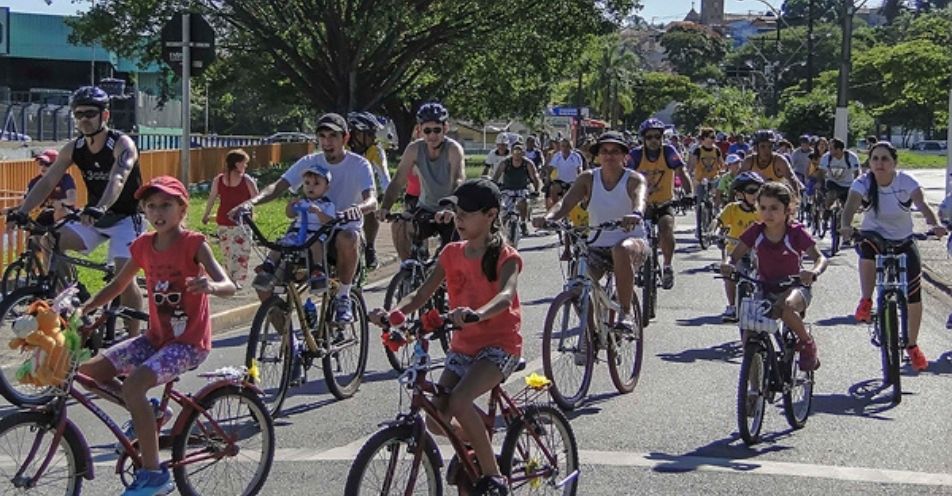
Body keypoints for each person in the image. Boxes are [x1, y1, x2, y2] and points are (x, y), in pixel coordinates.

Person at [78, 176, 235, 496]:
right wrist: (86, 307)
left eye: (166, 204)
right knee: (86, 373)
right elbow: (119, 286)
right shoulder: (142, 246)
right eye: (151, 206)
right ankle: (151, 411)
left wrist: (211, 287)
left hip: (188, 343)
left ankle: (154, 474)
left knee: (134, 383)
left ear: (181, 209)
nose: (158, 211)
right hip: (156, 337)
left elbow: (229, 285)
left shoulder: (194, 243)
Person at [370, 179, 522, 496]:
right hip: (463, 347)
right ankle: (474, 440)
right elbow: (421, 293)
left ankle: (494, 479)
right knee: (437, 412)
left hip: (499, 347)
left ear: (491, 214)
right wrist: (393, 314)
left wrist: (478, 313)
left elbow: (506, 296)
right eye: (456, 212)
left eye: (466, 213)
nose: (458, 219)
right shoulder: (451, 253)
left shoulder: (506, 256)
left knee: (460, 400)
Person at [8, 86, 145, 336]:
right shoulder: (74, 147)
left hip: (126, 217)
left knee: (124, 279)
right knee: (50, 240)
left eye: (90, 113)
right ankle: (72, 300)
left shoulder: (122, 143)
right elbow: (48, 181)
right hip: (94, 217)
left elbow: (119, 177)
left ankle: (134, 341)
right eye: (78, 114)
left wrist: (100, 207)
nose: (84, 119)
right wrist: (23, 210)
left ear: (105, 115)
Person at [231, 113, 376, 323]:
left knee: (348, 237)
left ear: (345, 138)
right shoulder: (310, 161)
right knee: (263, 285)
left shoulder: (359, 164)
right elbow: (276, 187)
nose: (327, 142)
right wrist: (249, 203)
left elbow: (371, 200)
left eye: (333, 136)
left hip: (341, 231)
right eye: (322, 136)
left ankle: (344, 295)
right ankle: (290, 343)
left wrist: (357, 209)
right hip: (308, 232)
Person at [839, 141, 948, 371]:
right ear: (869, 162)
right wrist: (846, 225)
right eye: (875, 159)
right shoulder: (863, 182)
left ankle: (912, 345)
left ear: (894, 162)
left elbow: (923, 204)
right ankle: (866, 300)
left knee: (914, 294)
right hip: (875, 236)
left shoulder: (905, 181)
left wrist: (935, 224)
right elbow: (850, 206)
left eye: (885, 159)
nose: (879, 163)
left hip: (904, 239)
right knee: (866, 245)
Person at [536, 131, 648, 331]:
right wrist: (548, 218)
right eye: (604, 151)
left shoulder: (633, 179)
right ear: (598, 156)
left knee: (621, 250)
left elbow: (640, 200)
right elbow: (565, 203)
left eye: (615, 151)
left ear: (624, 156)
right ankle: (592, 332)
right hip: (597, 245)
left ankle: (625, 313)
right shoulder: (587, 178)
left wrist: (636, 214)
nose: (609, 156)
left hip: (632, 243)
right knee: (578, 286)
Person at [721, 182, 827, 371]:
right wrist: (728, 264)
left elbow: (820, 258)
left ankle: (807, 343)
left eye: (774, 208)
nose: (767, 213)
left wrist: (813, 272)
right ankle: (754, 384)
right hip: (765, 287)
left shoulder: (795, 232)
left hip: (795, 288)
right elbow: (735, 255)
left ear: (787, 210)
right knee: (749, 331)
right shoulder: (756, 231)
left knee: (785, 308)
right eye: (762, 208)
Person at [378, 102, 466, 260]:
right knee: (399, 225)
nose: (432, 135)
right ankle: (407, 270)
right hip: (425, 207)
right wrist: (385, 207)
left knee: (450, 257)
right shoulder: (414, 149)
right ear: (420, 130)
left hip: (449, 209)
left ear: (445, 128)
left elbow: (458, 179)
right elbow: (398, 181)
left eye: (437, 130)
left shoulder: (453, 149)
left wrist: (450, 206)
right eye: (427, 130)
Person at [628, 118, 692, 290]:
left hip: (664, 203)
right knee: (634, 234)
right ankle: (634, 267)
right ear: (643, 138)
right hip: (642, 206)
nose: (654, 140)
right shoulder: (635, 155)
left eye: (657, 136)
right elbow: (625, 177)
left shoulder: (669, 151)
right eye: (649, 137)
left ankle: (667, 266)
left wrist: (689, 193)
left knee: (666, 227)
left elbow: (682, 171)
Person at [253, 164, 337, 293]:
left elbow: (330, 221)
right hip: (297, 233)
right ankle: (269, 264)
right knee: (280, 244)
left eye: (316, 184)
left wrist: (319, 213)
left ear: (326, 188)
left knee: (316, 244)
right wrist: (291, 206)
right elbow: (290, 215)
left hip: (315, 234)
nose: (311, 187)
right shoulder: (302, 202)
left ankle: (317, 268)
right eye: (307, 183)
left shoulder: (327, 204)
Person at [201, 149, 258, 289]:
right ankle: (236, 280)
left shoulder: (219, 180)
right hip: (242, 221)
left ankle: (230, 279)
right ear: (237, 164)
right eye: (244, 163)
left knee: (228, 252)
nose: (245, 166)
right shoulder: (246, 180)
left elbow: (212, 198)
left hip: (223, 220)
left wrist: (206, 215)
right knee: (242, 252)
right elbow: (257, 198)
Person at [717, 171, 765, 321]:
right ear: (739, 194)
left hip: (757, 250)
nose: (755, 194)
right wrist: (714, 231)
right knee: (728, 272)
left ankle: (763, 302)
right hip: (735, 249)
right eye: (751, 191)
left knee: (763, 272)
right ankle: (732, 306)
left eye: (759, 190)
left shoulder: (763, 210)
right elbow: (718, 222)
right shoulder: (732, 209)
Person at [347, 111, 390, 270]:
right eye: (370, 134)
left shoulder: (375, 150)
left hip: (365, 188)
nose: (374, 138)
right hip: (342, 187)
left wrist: (387, 203)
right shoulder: (341, 145)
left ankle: (370, 247)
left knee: (371, 210)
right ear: (357, 133)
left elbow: (384, 177)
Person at [492, 140, 542, 236]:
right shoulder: (505, 163)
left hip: (522, 188)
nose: (517, 154)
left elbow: (535, 177)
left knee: (523, 202)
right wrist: (494, 186)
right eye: (515, 151)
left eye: (520, 152)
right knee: (503, 209)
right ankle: (502, 228)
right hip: (507, 189)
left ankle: (523, 223)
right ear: (511, 152)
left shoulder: (527, 163)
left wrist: (536, 190)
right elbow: (496, 176)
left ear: (523, 153)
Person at [23, 149, 77, 223]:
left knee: (60, 210)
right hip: (43, 216)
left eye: (47, 164)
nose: (43, 167)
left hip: (65, 218)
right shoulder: (34, 181)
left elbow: (72, 199)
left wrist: (60, 202)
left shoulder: (65, 178)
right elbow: (24, 204)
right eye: (41, 163)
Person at [741, 130, 802, 195]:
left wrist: (797, 200)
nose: (766, 150)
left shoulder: (779, 161)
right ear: (756, 148)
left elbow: (792, 179)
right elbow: (737, 181)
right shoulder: (749, 161)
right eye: (763, 146)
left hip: (778, 197)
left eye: (770, 146)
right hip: (757, 198)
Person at [819, 138, 861, 226]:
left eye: (831, 148)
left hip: (847, 184)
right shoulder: (827, 157)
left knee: (847, 206)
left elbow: (856, 173)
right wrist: (821, 184)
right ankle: (827, 210)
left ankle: (841, 223)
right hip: (832, 181)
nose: (829, 150)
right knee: (831, 195)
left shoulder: (851, 157)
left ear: (838, 149)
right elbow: (822, 172)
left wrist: (856, 187)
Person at [688, 127, 724, 208]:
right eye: (711, 137)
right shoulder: (698, 150)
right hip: (700, 179)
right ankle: (700, 218)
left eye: (714, 137)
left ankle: (716, 211)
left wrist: (723, 170)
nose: (714, 140)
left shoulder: (716, 150)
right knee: (699, 201)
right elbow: (692, 165)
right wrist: (690, 173)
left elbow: (722, 163)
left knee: (718, 196)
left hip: (714, 178)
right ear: (704, 138)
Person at [544, 138, 584, 210]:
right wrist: (547, 177)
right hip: (560, 181)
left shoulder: (575, 156)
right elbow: (551, 167)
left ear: (570, 147)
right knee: (553, 189)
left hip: (573, 182)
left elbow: (579, 169)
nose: (564, 148)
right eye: (562, 146)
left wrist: (579, 182)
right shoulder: (557, 156)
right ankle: (557, 208)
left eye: (567, 146)